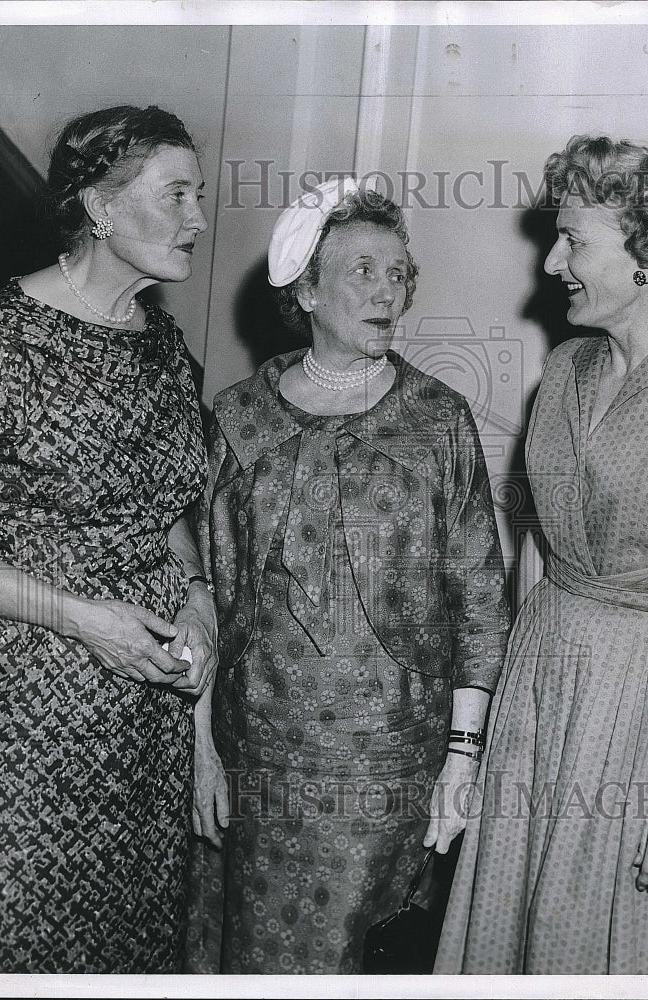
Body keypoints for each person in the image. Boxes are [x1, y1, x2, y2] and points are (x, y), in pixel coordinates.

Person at [435, 135, 648, 975]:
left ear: (647, 254)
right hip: (540, 684)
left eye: (574, 240)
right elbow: (535, 558)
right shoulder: (564, 372)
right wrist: (482, 737)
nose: (553, 261)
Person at [192, 178, 511, 973]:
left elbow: (480, 601)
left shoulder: (437, 419)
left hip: (391, 773)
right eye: (363, 270)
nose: (388, 291)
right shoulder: (236, 419)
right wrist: (198, 748)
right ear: (306, 288)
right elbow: (201, 594)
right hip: (256, 764)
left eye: (398, 272)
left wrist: (462, 759)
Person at [0, 104, 217, 973]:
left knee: (129, 947)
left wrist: (196, 593)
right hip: (32, 711)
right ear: (99, 206)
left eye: (198, 196)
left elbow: (166, 510)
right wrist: (87, 619)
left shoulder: (163, 345)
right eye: (177, 195)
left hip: (146, 718)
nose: (198, 220)